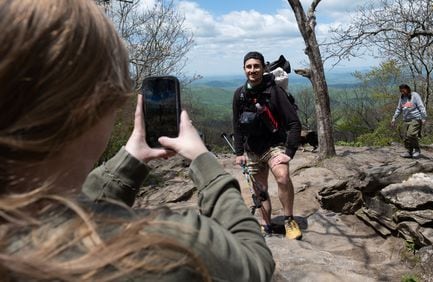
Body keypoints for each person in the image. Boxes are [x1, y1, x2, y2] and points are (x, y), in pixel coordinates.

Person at [0, 1, 274, 281]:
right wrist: (206, 163)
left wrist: (130, 159)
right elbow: (255, 262)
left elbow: (76, 209)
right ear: (92, 106)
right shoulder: (169, 249)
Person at [232, 51, 302, 240]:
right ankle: (266, 225)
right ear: (244, 69)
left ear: (263, 68)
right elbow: (237, 126)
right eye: (249, 66)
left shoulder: (274, 92)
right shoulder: (239, 94)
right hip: (252, 148)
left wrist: (289, 152)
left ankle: (289, 220)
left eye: (256, 66)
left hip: (274, 145)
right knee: (260, 191)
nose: (252, 70)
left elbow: (294, 123)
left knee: (282, 177)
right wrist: (239, 152)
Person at [391, 84, 427, 158]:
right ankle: (409, 152)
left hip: (416, 119)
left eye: (403, 90)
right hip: (406, 120)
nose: (402, 92)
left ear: (407, 89)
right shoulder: (402, 98)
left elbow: (421, 106)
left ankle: (417, 150)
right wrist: (394, 118)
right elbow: (399, 109)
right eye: (401, 91)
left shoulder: (415, 95)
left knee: (411, 134)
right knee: (406, 137)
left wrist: (423, 117)